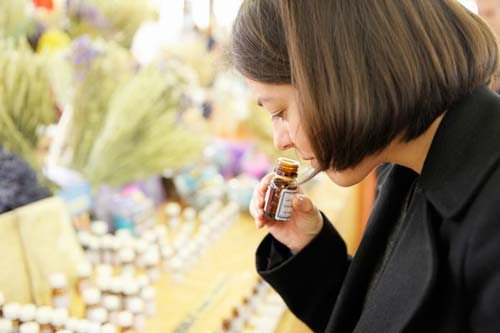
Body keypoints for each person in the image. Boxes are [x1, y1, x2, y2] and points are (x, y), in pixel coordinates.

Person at [231, 1, 500, 332]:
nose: (280, 140)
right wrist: (308, 246)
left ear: (343, 76)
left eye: (280, 112)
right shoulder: (404, 165)